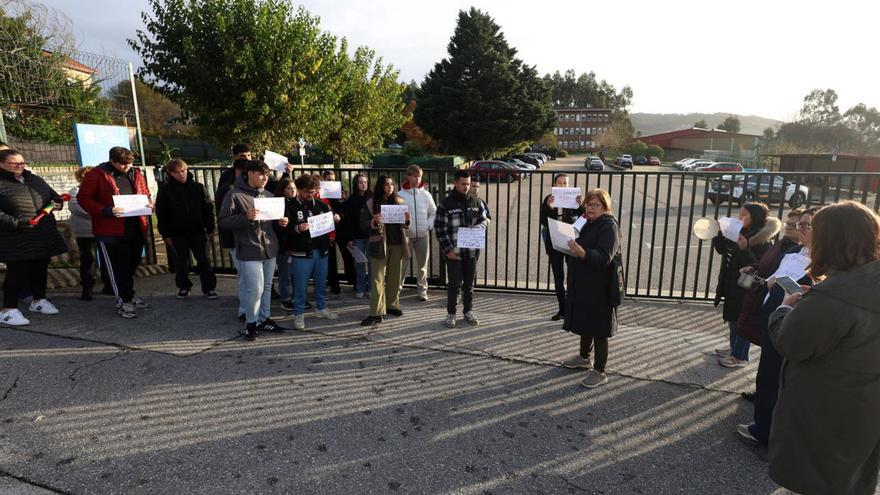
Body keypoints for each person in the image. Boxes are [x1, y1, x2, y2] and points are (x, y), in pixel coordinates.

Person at [765, 201, 880, 495]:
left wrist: (784, 308)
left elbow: (791, 343)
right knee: (850, 479)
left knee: (817, 479)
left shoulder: (834, 296)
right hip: (866, 406)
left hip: (825, 408)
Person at [737, 207, 818, 445]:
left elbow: (807, 292)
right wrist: (767, 278)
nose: (800, 229)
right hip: (773, 316)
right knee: (767, 374)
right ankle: (764, 423)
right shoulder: (795, 250)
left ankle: (765, 430)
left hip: (791, 324)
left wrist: (785, 285)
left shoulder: (823, 261)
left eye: (807, 225)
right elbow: (777, 275)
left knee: (775, 378)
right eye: (800, 224)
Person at [77, 147, 153, 319]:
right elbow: (84, 199)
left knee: (132, 264)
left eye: (129, 163)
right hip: (111, 230)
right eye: (122, 164)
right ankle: (123, 300)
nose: (126, 167)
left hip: (136, 226)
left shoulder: (136, 173)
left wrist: (148, 202)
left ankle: (129, 294)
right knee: (118, 267)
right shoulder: (96, 175)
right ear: (112, 161)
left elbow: (145, 192)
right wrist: (106, 210)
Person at [218, 160, 288, 340]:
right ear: (249, 173)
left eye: (267, 174)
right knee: (255, 289)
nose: (265, 178)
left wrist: (281, 222)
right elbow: (223, 221)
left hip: (269, 249)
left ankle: (264, 319)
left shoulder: (269, 195)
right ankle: (251, 324)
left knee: (267, 287)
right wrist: (245, 217)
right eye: (261, 174)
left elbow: (271, 224)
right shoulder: (234, 195)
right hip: (249, 249)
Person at [560, 188, 620, 389]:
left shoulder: (609, 226)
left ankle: (600, 371)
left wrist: (582, 253)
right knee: (586, 319)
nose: (590, 208)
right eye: (588, 204)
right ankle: (584, 357)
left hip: (601, 285)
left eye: (595, 205)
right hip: (585, 282)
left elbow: (604, 257)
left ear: (605, 207)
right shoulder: (587, 221)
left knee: (600, 327)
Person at [0, 149, 68, 326]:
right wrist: (17, 223)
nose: (20, 166)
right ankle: (8, 309)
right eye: (14, 163)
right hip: (15, 235)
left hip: (42, 232)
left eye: (22, 163)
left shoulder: (34, 179)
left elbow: (54, 196)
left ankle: (39, 300)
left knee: (40, 267)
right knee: (17, 271)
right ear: (2, 164)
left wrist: (58, 203)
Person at [711, 202, 779, 368]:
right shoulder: (739, 231)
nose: (740, 217)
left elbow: (759, 265)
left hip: (745, 287)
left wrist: (745, 248)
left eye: (744, 215)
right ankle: (734, 349)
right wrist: (718, 233)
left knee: (740, 321)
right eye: (739, 214)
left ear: (755, 217)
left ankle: (739, 356)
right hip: (731, 283)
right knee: (732, 319)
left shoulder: (761, 240)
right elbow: (722, 250)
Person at [155, 158, 218, 299]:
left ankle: (209, 288)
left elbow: (208, 208)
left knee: (204, 261)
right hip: (176, 233)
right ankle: (184, 286)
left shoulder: (198, 187)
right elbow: (161, 213)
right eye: (177, 172)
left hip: (198, 231)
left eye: (183, 171)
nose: (181, 174)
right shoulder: (165, 190)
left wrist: (210, 228)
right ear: (171, 173)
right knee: (180, 263)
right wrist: (165, 234)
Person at [283, 173, 338, 331]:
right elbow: (284, 228)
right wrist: (297, 228)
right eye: (307, 191)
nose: (310, 194)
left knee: (321, 282)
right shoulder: (290, 205)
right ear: (299, 190)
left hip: (321, 250)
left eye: (313, 191)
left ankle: (321, 308)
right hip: (301, 252)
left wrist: (336, 217)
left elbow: (333, 216)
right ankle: (298, 313)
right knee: (300, 284)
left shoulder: (321, 204)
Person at [434, 170, 487, 329]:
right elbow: (440, 229)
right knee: (454, 285)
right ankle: (451, 314)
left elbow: (484, 220)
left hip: (471, 253)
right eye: (463, 184)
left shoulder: (476, 202)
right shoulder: (445, 204)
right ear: (455, 183)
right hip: (454, 254)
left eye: (468, 184)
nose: (466, 187)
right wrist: (448, 251)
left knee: (469, 285)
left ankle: (468, 311)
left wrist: (479, 226)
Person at [359, 175, 410, 326]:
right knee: (377, 279)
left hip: (397, 245)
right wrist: (374, 222)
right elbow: (362, 224)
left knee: (395, 277)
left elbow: (405, 224)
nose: (390, 187)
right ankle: (376, 313)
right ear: (381, 186)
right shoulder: (371, 203)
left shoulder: (400, 201)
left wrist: (407, 220)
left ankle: (391, 305)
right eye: (387, 184)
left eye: (392, 184)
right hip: (379, 245)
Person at [540, 173, 584, 320]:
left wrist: (581, 206)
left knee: (572, 277)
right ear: (554, 184)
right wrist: (548, 207)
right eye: (559, 183)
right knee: (558, 278)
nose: (562, 185)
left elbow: (583, 219)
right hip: (554, 243)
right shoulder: (549, 199)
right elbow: (543, 221)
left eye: (565, 183)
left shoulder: (574, 198)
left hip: (571, 243)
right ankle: (562, 309)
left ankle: (572, 309)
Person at [68, 166, 111, 301]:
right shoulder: (75, 191)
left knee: (107, 258)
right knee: (88, 259)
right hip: (85, 231)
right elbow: (80, 208)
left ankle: (109, 285)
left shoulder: (102, 190)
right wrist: (103, 211)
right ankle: (87, 288)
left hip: (104, 229)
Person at [216, 158, 250, 321]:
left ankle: (255, 309)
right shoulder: (228, 191)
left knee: (252, 278)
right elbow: (224, 219)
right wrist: (246, 217)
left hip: (253, 241)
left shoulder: (253, 190)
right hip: (236, 240)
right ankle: (245, 310)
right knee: (244, 276)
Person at [399, 165, 437, 301]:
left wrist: (428, 225)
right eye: (414, 176)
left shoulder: (426, 195)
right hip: (406, 236)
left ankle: (422, 291)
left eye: (419, 176)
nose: (417, 179)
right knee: (402, 265)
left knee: (422, 266)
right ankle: (397, 290)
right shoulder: (400, 195)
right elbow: (397, 215)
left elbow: (434, 213)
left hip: (423, 235)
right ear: (408, 177)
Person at [341, 173, 371, 298]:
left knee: (372, 264)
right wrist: (349, 238)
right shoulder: (351, 200)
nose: (363, 184)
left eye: (365, 182)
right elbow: (347, 221)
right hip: (357, 237)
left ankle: (371, 288)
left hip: (370, 236)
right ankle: (360, 288)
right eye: (360, 182)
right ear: (356, 184)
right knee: (359, 264)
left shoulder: (372, 198)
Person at [319, 170, 345, 295]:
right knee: (329, 258)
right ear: (323, 180)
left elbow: (342, 210)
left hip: (339, 228)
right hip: (327, 229)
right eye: (328, 180)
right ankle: (333, 284)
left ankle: (341, 281)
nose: (331, 182)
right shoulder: (320, 194)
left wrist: (342, 200)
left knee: (345, 255)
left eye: (333, 180)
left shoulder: (338, 191)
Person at [274, 178, 296, 310]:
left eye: (294, 188)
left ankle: (294, 296)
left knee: (294, 273)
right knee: (285, 274)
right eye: (289, 188)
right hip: (284, 246)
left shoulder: (296, 203)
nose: (292, 190)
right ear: (282, 190)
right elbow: (278, 228)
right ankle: (285, 298)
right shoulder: (279, 204)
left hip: (295, 245)